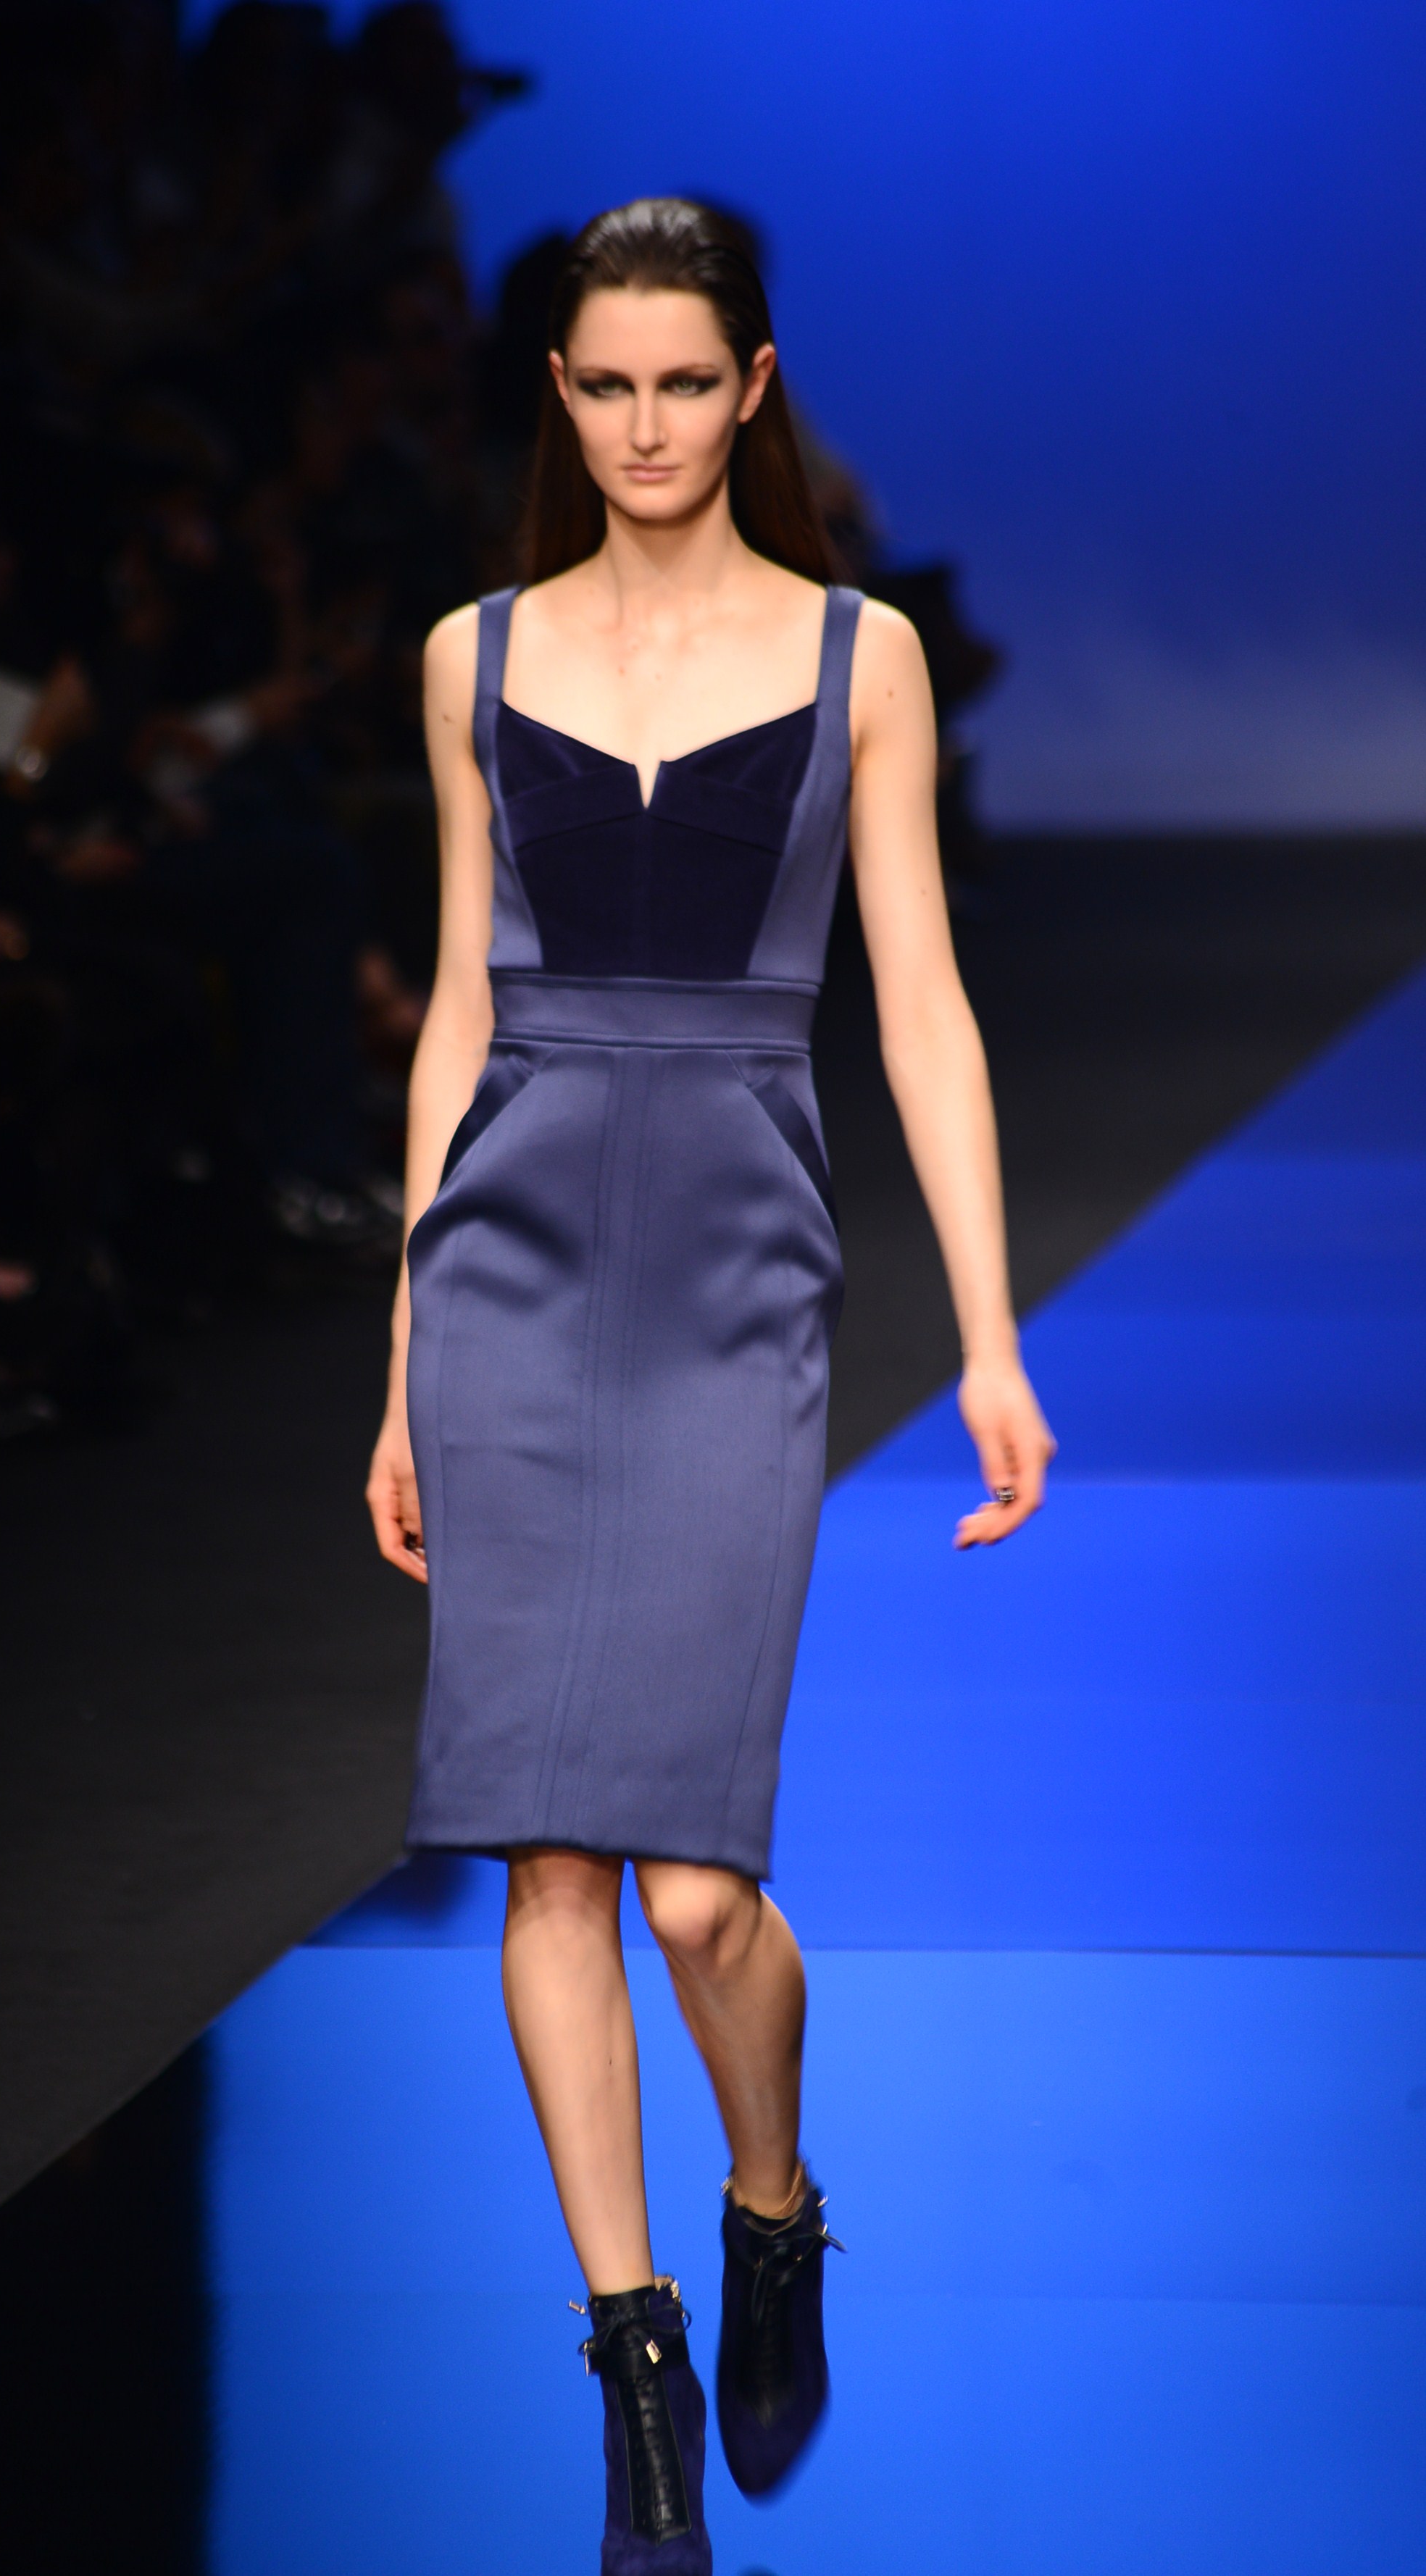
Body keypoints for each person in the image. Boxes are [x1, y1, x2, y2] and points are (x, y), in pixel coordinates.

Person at [367, 198, 1053, 2570]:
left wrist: (988, 1333)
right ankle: (635, 2364)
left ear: (752, 387)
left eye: (685, 381)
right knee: (543, 1853)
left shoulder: (860, 658)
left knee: (691, 1891)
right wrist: (400, 1357)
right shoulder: (471, 657)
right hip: (510, 1258)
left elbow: (921, 1002)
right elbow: (456, 1009)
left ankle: (772, 2200)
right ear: (556, 396)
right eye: (605, 384)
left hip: (739, 1256)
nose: (645, 426)